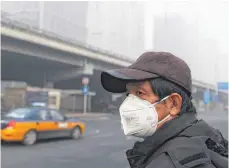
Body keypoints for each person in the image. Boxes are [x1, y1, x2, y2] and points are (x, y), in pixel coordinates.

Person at [100, 52, 228, 168]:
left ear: (173, 104)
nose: (127, 104)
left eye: (140, 93)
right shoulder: (205, 136)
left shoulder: (170, 161)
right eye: (129, 94)